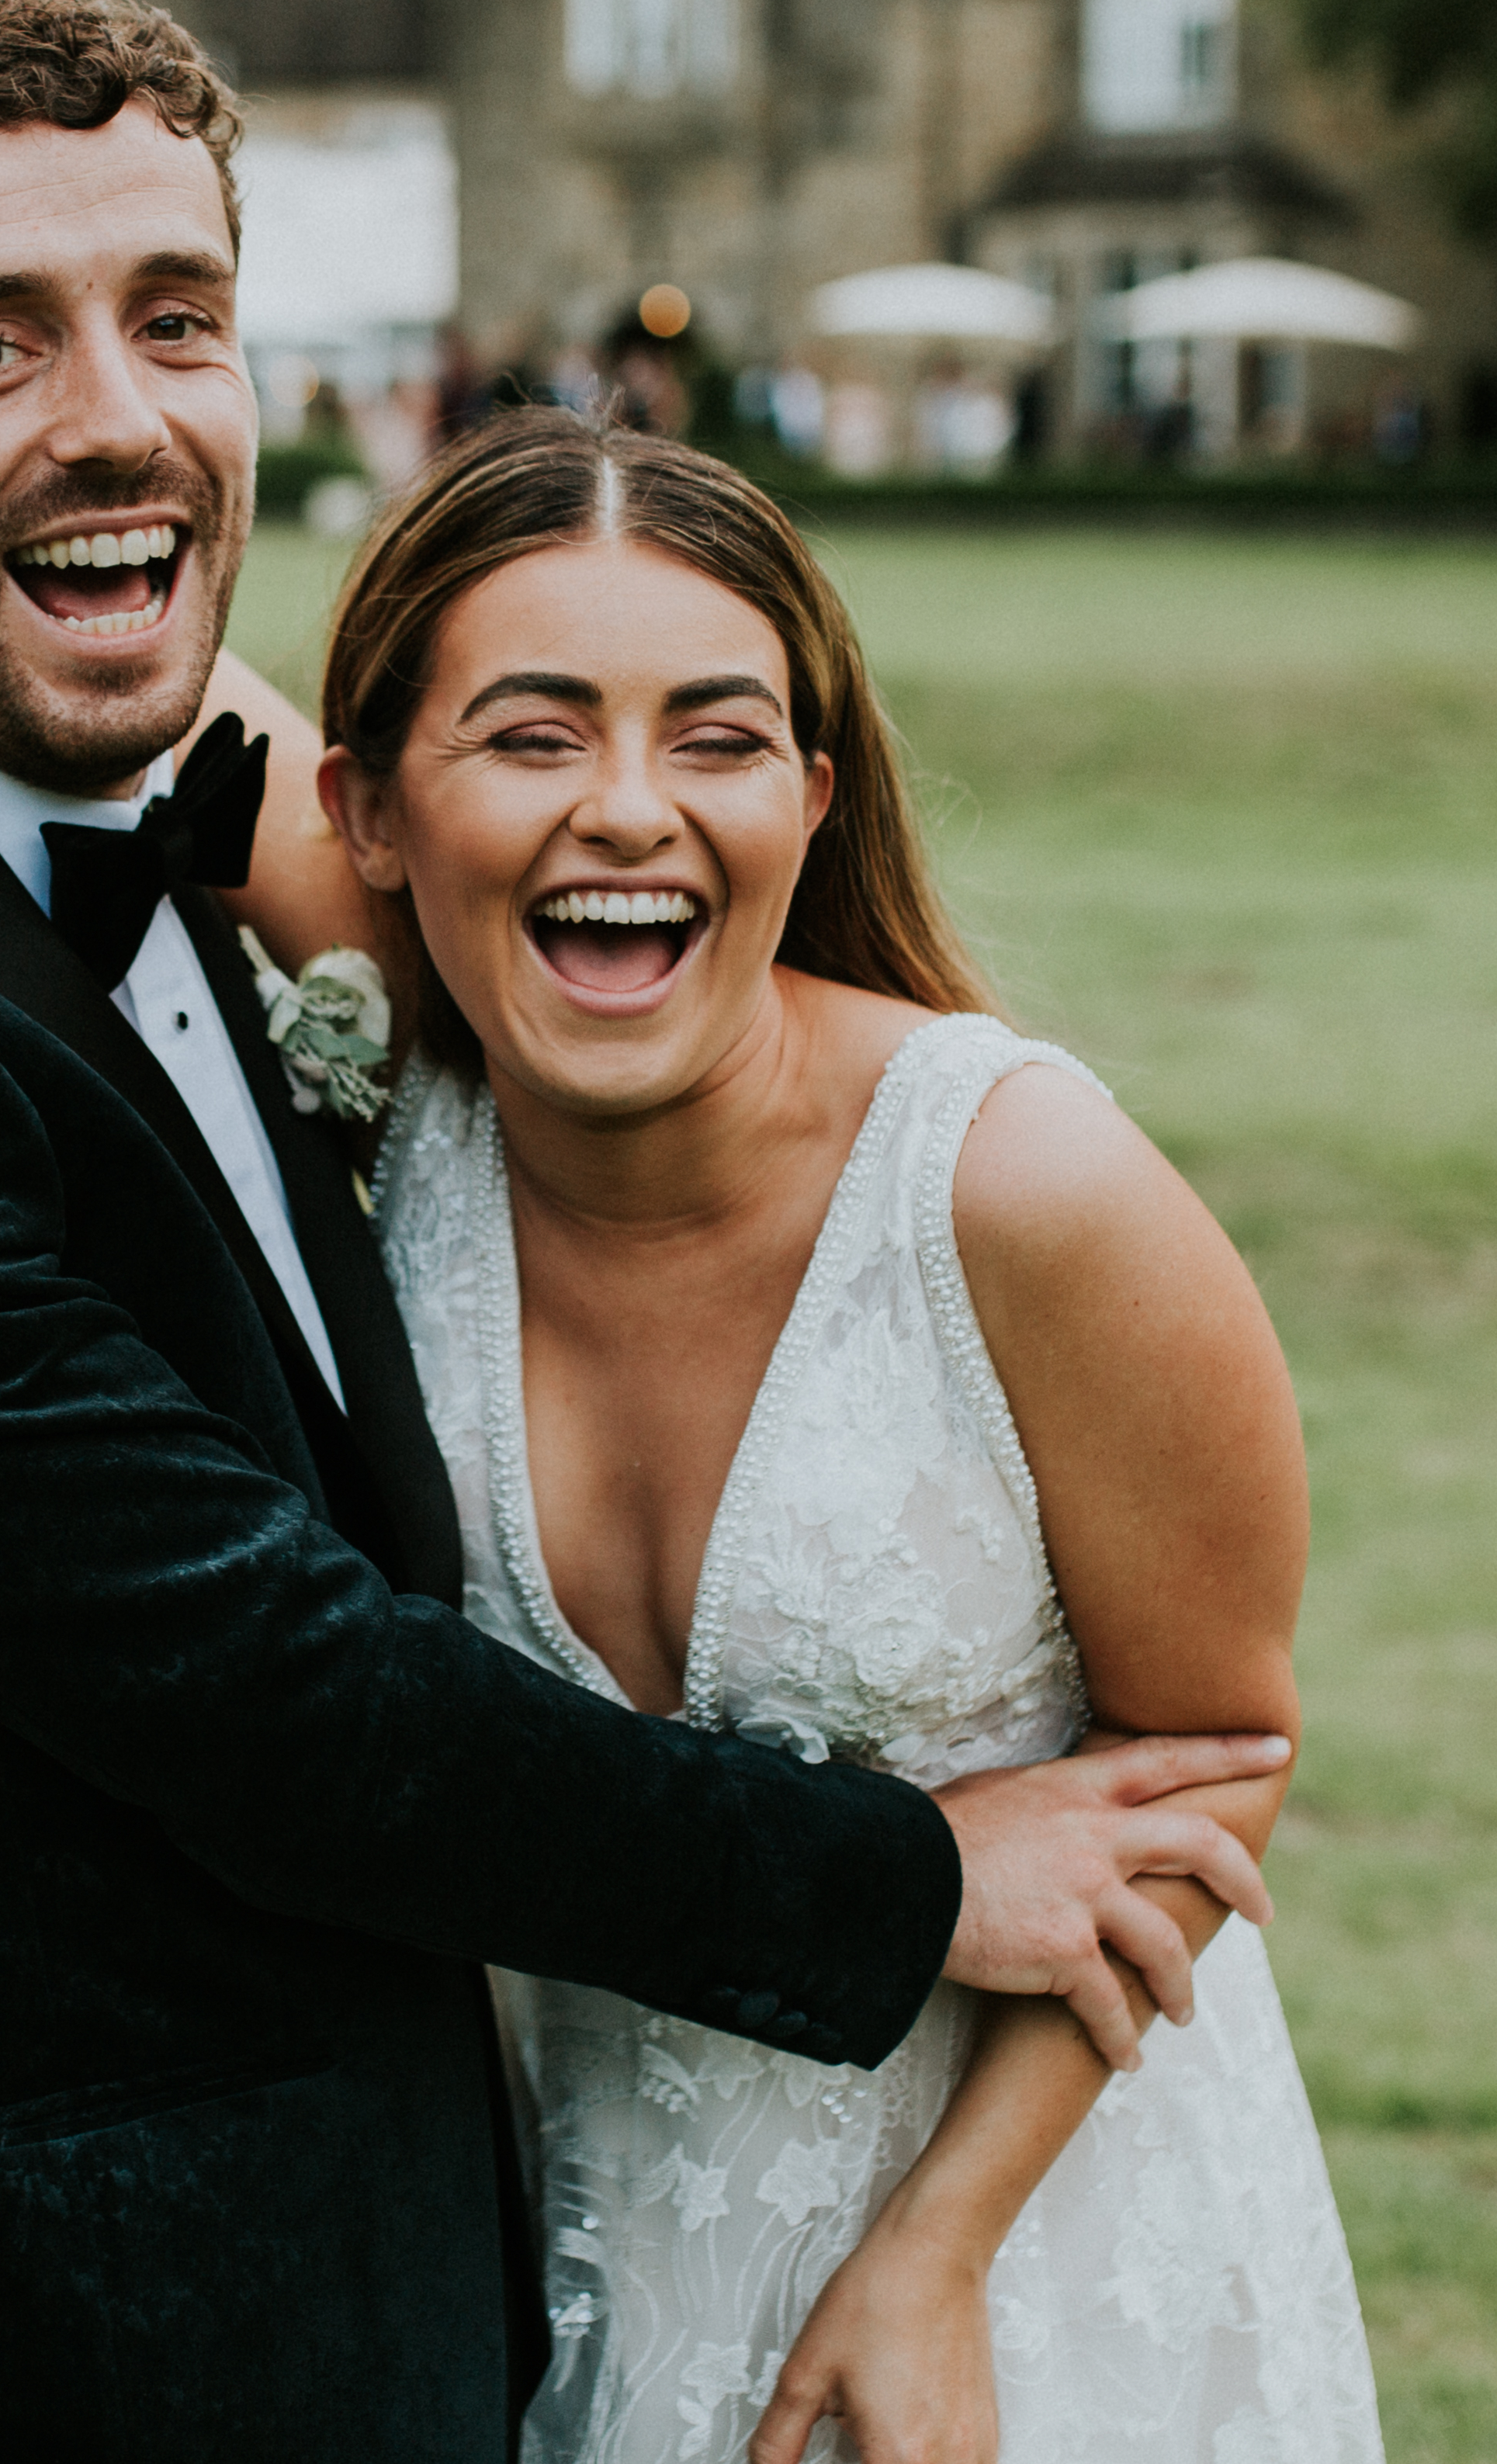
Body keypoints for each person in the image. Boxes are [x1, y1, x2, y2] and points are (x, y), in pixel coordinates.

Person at [0, 0, 1290, 2464]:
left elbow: (423, 765)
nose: (118, 415)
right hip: (96, 2365)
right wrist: (897, 1891)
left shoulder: (154, 850)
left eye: (179, 318)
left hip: (456, 2306)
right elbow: (275, 1697)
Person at [279, 411, 1388, 2464]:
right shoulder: (406, 1121)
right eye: (531, 737)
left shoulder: (1022, 1192)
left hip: (1036, 2272)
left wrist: (935, 2255)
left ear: (814, 789)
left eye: (715, 736)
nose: (628, 810)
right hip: (577, 2290)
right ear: (375, 809)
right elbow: (90, 738)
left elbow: (1217, 1764)